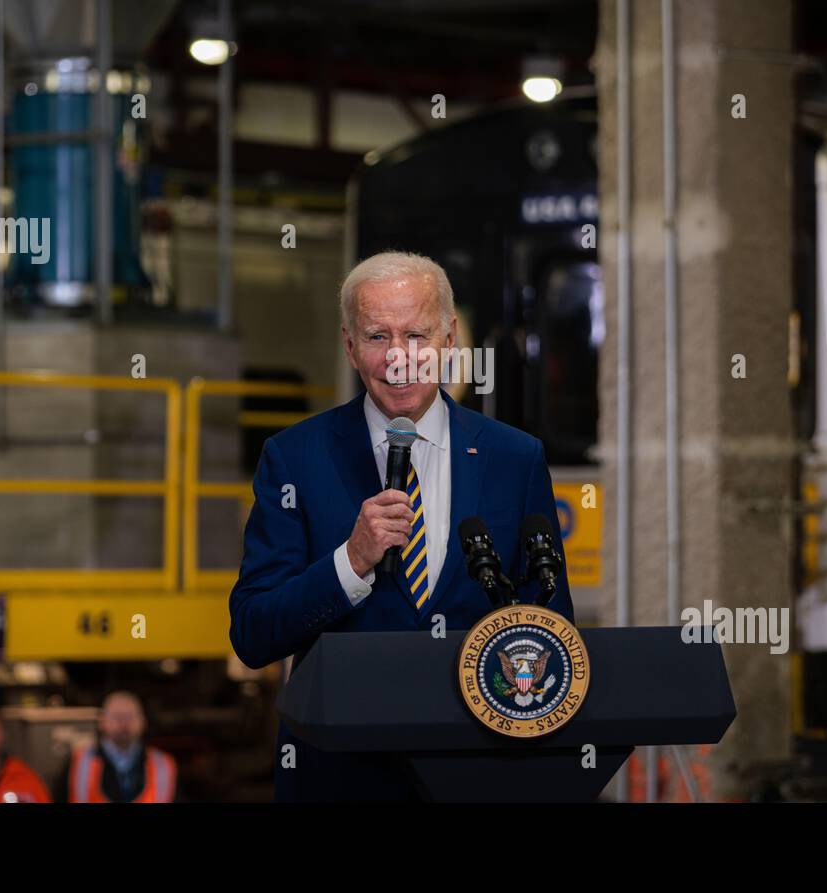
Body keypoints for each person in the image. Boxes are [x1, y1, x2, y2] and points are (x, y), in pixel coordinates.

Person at [229, 250, 574, 801]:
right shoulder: (294, 458)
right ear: (348, 345)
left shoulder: (516, 459)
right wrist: (351, 561)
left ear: (449, 339)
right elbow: (252, 634)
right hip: (341, 781)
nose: (398, 358)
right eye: (376, 337)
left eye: (415, 334)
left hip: (481, 775)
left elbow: (549, 627)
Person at [59, 691, 177, 803]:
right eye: (116, 716)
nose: (124, 723)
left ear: (143, 722)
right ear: (102, 722)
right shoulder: (79, 762)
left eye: (130, 716)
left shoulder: (163, 764)